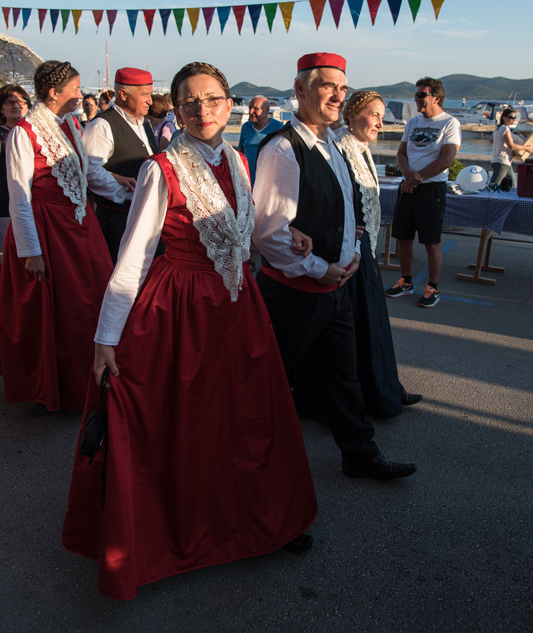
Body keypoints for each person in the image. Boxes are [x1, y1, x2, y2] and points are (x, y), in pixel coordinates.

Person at [62, 61, 317, 601]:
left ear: (229, 104)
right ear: (174, 111)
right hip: (180, 310)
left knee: (247, 416)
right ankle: (181, 534)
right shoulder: (162, 168)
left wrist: (292, 239)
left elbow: (243, 234)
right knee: (187, 427)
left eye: (212, 99)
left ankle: (257, 521)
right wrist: (107, 337)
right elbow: (133, 257)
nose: (203, 110)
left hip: (237, 307)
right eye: (189, 102)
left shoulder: (241, 161)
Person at [253, 52, 417, 481]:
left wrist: (354, 249)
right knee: (266, 386)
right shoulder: (283, 150)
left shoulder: (332, 145)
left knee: (343, 376)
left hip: (334, 287)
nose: (337, 95)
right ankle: (252, 477)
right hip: (295, 294)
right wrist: (315, 266)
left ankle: (359, 456)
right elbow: (269, 232)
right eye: (327, 86)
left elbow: (344, 210)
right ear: (300, 90)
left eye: (342, 88)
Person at [0, 61, 129, 411]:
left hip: (77, 223)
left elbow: (86, 175)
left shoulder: (69, 124)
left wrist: (126, 192)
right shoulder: (23, 134)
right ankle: (67, 388)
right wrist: (30, 250)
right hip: (47, 228)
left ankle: (95, 376)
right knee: (65, 308)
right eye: (74, 88)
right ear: (55, 93)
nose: (79, 93)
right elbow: (19, 196)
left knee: (93, 298)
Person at [291, 91, 422, 418]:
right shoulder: (341, 148)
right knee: (357, 327)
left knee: (371, 323)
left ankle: (383, 385)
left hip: (364, 247)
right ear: (351, 116)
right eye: (373, 114)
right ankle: (363, 394)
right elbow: (326, 198)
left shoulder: (359, 149)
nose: (380, 121)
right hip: (349, 248)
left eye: (381, 115)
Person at [385, 77, 461, 308]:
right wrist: (408, 175)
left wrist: (417, 179)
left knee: (430, 240)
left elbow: (446, 159)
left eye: (421, 95)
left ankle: (433, 287)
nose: (416, 99)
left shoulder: (449, 123)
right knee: (403, 236)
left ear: (436, 98)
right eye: (416, 95)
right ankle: (406, 282)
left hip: (431, 188)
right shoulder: (412, 122)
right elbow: (401, 153)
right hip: (408, 184)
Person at [83, 68, 158, 263]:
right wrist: (127, 190)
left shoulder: (145, 124)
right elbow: (91, 172)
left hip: (145, 217)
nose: (150, 101)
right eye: (145, 95)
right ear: (123, 95)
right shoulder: (102, 126)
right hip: (118, 220)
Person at [0, 84, 31, 253]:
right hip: (5, 205)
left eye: (21, 101)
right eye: (10, 102)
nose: (16, 105)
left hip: (32, 204)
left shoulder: (32, 133)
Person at [237, 95, 283, 184]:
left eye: (255, 108)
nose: (251, 112)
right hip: (248, 181)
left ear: (266, 110)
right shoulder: (246, 127)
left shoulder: (278, 127)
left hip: (270, 182)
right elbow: (241, 152)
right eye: (250, 108)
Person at [489, 107, 533, 187]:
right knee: (493, 186)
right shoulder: (505, 129)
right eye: (510, 117)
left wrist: (500, 146)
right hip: (502, 162)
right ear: (504, 117)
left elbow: (491, 140)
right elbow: (511, 146)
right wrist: (527, 148)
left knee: (511, 187)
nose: (513, 119)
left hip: (500, 161)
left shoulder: (497, 128)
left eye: (514, 118)